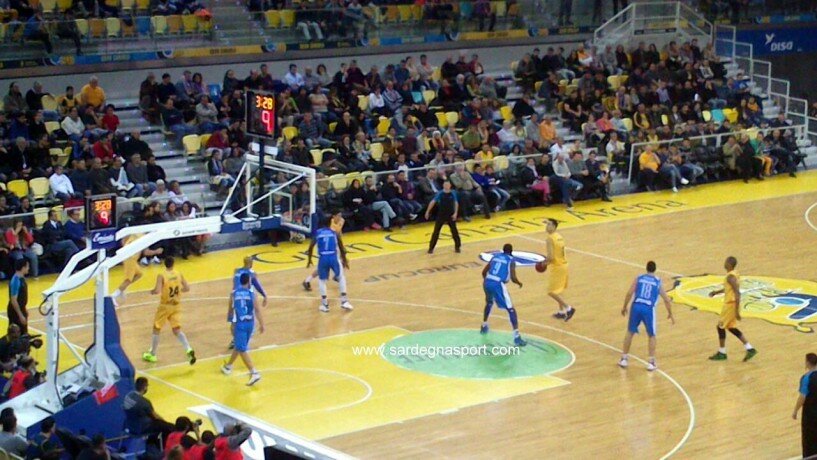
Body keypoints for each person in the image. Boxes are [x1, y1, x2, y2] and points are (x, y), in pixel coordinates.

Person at [618, 261, 675, 371]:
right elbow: (666, 300)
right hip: (648, 308)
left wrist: (624, 306)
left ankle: (624, 359)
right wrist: (670, 313)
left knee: (630, 332)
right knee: (651, 335)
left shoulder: (639, 278)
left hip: (636, 306)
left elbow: (629, 293)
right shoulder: (657, 281)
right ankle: (651, 362)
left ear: (646, 268)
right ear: (655, 269)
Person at [142, 257, 195, 364]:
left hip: (165, 306)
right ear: (173, 264)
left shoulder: (162, 275)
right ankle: (188, 348)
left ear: (164, 264)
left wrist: (151, 292)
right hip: (176, 305)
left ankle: (152, 354)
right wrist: (179, 291)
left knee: (156, 328)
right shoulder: (178, 273)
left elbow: (157, 291)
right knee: (176, 329)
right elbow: (187, 288)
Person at [707, 256, 757, 362]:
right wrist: (716, 292)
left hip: (730, 305)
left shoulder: (731, 277)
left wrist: (737, 311)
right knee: (730, 327)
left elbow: (737, 293)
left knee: (720, 327)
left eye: (726, 262)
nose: (724, 263)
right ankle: (749, 348)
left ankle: (722, 352)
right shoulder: (734, 274)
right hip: (730, 304)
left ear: (729, 264)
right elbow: (728, 289)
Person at [221, 273, 265, 386]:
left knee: (241, 348)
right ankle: (228, 366)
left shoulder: (234, 294)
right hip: (250, 323)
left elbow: (230, 310)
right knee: (239, 346)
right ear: (249, 281)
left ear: (240, 281)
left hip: (240, 324)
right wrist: (262, 324)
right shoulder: (252, 294)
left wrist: (231, 323)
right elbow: (257, 310)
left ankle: (253, 372)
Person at [480, 244, 526, 346]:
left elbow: (483, 272)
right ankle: (517, 337)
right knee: (511, 309)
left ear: (503, 250)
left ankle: (484, 325)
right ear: (511, 252)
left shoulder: (495, 256)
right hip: (497, 284)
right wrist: (519, 283)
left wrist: (487, 281)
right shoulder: (511, 260)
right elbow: (513, 278)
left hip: (487, 281)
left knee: (489, 302)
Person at [306, 218, 353, 312]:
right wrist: (344, 259)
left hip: (323, 258)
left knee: (322, 281)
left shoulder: (318, 232)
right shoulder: (334, 232)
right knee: (341, 277)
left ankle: (325, 305)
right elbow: (341, 246)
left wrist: (309, 259)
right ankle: (344, 301)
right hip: (333, 257)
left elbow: (311, 246)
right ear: (329, 224)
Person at [111, 234, 163, 306]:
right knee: (128, 280)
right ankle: (114, 295)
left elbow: (123, 239)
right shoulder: (145, 237)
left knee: (139, 274)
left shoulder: (136, 232)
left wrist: (125, 248)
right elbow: (146, 252)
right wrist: (156, 251)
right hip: (130, 258)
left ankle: (122, 289)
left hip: (130, 258)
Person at [229, 256, 267, 349]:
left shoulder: (236, 271)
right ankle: (246, 335)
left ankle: (235, 340)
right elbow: (257, 285)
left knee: (234, 320)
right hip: (246, 296)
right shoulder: (252, 273)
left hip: (235, 296)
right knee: (250, 314)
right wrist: (264, 295)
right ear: (251, 263)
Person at [123, 377, 174, 445]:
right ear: (145, 387)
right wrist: (166, 423)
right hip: (142, 428)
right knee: (167, 427)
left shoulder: (128, 396)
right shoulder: (144, 402)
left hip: (129, 425)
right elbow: (156, 417)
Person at [542, 218, 575, 321]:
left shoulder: (550, 239)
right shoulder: (559, 236)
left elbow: (551, 257)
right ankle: (561, 312)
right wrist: (549, 221)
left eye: (549, 225)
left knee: (551, 291)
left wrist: (543, 263)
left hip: (557, 267)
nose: (547, 227)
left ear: (554, 227)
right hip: (564, 265)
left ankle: (568, 308)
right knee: (558, 290)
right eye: (547, 225)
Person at [303, 213, 344, 291]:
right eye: (338, 216)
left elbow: (338, 235)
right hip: (327, 249)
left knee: (339, 262)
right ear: (334, 216)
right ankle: (307, 280)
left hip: (333, 247)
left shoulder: (340, 221)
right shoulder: (329, 225)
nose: (340, 217)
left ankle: (308, 280)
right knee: (326, 267)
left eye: (340, 216)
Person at [425, 180, 462, 254]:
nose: (446, 186)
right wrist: (427, 211)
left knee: (454, 231)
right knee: (436, 232)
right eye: (445, 185)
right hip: (441, 215)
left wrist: (455, 213)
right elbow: (433, 202)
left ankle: (457, 247)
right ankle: (431, 248)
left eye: (448, 185)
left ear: (450, 186)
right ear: (443, 186)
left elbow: (456, 203)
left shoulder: (453, 193)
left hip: (450, 214)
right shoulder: (440, 193)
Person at [793, 352, 817, 457]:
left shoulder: (806, 378)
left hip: (810, 412)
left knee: (809, 436)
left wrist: (795, 410)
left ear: (807, 363)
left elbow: (802, 397)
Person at [7, 259, 29, 335]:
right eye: (27, 266)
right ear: (23, 267)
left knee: (24, 332)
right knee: (16, 333)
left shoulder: (21, 279)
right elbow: (13, 300)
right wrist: (20, 315)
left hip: (21, 308)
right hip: (15, 311)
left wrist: (24, 310)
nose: (28, 268)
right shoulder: (16, 280)